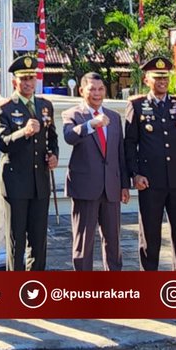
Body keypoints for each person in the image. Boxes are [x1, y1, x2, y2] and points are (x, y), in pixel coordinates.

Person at [124, 56, 176, 271]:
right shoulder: (137, 105)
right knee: (150, 234)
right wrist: (135, 174)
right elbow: (130, 143)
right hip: (151, 180)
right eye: (157, 77)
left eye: (165, 77)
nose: (162, 81)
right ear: (147, 79)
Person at [0, 55, 59, 272]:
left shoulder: (45, 105)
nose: (28, 83)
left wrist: (54, 155)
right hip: (16, 182)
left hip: (40, 182)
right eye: (23, 79)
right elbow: (3, 143)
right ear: (15, 82)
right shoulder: (4, 108)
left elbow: (52, 137)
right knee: (16, 239)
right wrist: (24, 132)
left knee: (39, 239)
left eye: (31, 78)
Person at [62, 72, 129, 271]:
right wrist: (90, 125)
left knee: (113, 242)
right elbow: (69, 137)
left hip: (111, 188)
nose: (97, 94)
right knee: (84, 243)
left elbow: (120, 154)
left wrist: (124, 185)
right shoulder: (73, 114)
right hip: (85, 188)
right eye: (92, 89)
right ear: (82, 91)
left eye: (100, 89)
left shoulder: (114, 117)